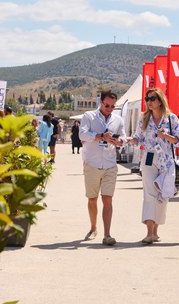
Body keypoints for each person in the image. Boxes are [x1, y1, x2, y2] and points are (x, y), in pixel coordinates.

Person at [128, 88, 179, 244]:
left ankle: (156, 231)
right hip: (149, 158)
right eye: (147, 98)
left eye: (152, 98)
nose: (149, 101)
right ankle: (149, 232)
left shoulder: (171, 119)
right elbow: (138, 138)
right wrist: (131, 140)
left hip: (166, 160)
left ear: (160, 100)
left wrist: (166, 136)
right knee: (149, 193)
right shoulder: (144, 118)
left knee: (162, 195)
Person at [79, 90, 126, 246]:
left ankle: (107, 235)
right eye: (107, 105)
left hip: (110, 164)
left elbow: (123, 137)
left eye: (113, 106)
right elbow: (82, 135)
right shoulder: (89, 116)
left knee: (107, 199)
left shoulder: (118, 120)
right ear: (101, 102)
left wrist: (120, 142)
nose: (110, 109)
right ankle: (93, 228)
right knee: (92, 199)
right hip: (91, 163)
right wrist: (99, 136)